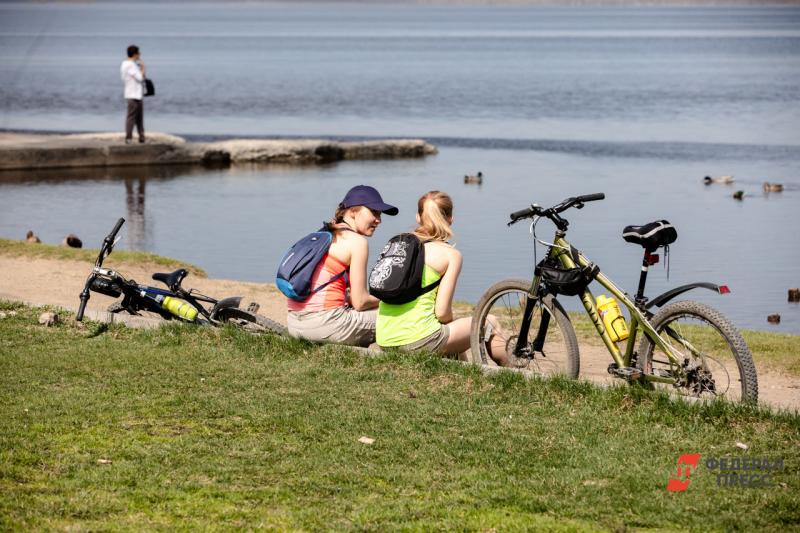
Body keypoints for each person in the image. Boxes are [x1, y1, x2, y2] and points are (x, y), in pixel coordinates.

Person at [376, 190, 511, 366]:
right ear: (450, 219)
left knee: (450, 334)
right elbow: (442, 312)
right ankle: (512, 371)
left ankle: (461, 374)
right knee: (490, 321)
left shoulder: (399, 245)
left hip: (385, 339)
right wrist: (453, 325)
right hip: (417, 341)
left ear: (418, 217)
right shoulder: (450, 255)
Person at [286, 185, 398, 347]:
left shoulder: (322, 234)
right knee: (400, 315)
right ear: (353, 211)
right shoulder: (357, 242)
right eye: (374, 212)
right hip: (325, 325)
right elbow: (360, 302)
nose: (378, 220)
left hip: (295, 324)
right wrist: (393, 299)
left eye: (380, 214)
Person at [120, 45, 146, 144]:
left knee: (138, 117)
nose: (140, 55)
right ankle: (129, 138)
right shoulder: (131, 65)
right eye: (139, 53)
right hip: (134, 94)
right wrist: (143, 68)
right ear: (135, 54)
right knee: (132, 117)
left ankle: (141, 137)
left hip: (133, 94)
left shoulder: (124, 64)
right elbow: (140, 78)